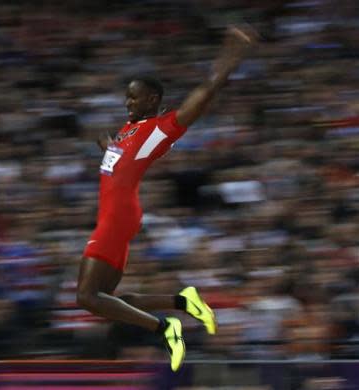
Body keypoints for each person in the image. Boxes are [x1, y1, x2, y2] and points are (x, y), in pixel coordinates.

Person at [77, 25, 258, 371]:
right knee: (107, 301)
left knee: (86, 297)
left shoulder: (158, 128)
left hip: (118, 216)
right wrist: (105, 145)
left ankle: (166, 328)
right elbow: (118, 157)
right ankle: (184, 302)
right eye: (126, 97)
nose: (128, 102)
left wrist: (230, 58)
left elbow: (205, 93)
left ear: (153, 101)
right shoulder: (128, 131)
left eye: (135, 97)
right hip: (116, 216)